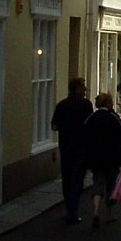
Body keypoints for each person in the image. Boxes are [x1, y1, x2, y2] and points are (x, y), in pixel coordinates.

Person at [82, 92, 121, 228]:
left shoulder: (91, 118)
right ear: (108, 103)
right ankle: (109, 213)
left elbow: (85, 139)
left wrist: (87, 157)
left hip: (96, 159)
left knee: (98, 183)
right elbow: (120, 140)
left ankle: (96, 210)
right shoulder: (114, 118)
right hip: (112, 159)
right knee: (111, 186)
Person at [51, 76, 93, 224]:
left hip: (65, 146)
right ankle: (72, 212)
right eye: (83, 87)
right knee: (77, 179)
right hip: (81, 147)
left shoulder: (61, 105)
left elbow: (54, 126)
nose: (85, 89)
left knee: (67, 178)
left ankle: (69, 207)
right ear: (76, 88)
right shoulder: (86, 105)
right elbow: (90, 126)